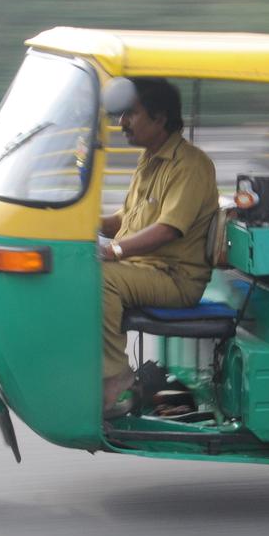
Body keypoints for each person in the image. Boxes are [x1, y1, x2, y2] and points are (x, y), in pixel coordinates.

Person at [99, 78, 219, 418]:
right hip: (143, 268)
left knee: (100, 278)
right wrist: (82, 223)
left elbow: (167, 229)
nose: (121, 122)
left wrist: (113, 251)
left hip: (174, 277)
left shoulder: (190, 166)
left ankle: (116, 381)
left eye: (131, 114)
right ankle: (90, 367)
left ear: (160, 118)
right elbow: (128, 217)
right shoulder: (149, 158)